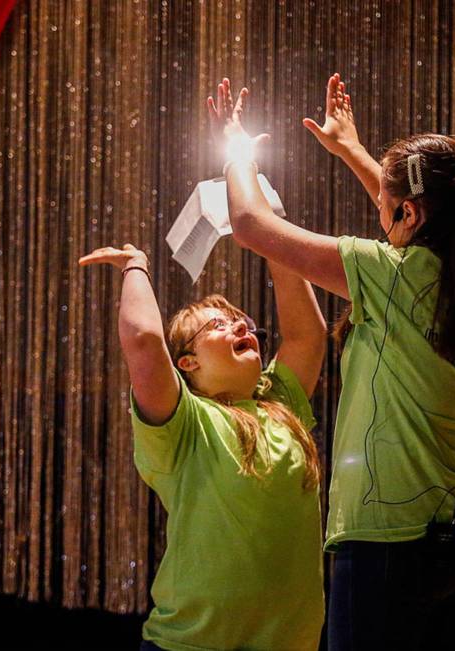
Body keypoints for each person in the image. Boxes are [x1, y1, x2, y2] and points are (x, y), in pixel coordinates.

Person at [208, 74, 455, 649]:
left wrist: (236, 150)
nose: (380, 214)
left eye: (387, 205)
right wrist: (355, 153)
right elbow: (423, 224)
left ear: (407, 214)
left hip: (388, 542)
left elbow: (252, 225)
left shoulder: (395, 278)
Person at [78, 241, 326, 651]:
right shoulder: (184, 423)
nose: (242, 327)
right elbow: (142, 338)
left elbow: (306, 335)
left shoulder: (281, 403)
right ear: (187, 362)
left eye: (241, 321)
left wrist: (271, 231)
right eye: (217, 325)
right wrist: (135, 265)